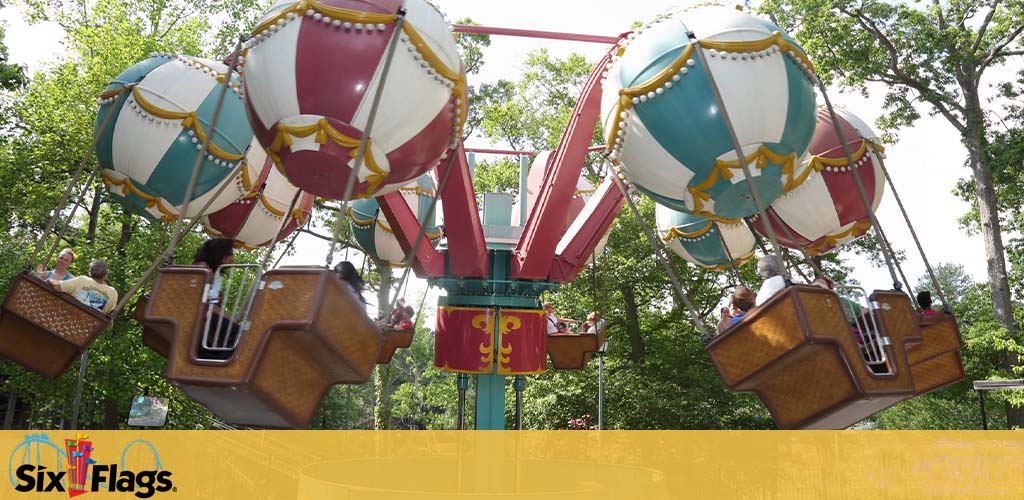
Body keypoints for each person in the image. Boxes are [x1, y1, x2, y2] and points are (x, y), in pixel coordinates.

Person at [49, 260, 118, 315]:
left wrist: (50, 280)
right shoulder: (113, 293)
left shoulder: (82, 280)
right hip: (87, 330)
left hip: (67, 322)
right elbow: (109, 314)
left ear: (89, 272)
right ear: (105, 274)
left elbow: (57, 287)